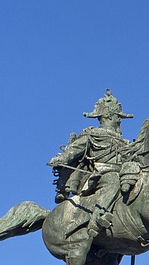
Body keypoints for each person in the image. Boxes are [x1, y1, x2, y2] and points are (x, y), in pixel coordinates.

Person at [48, 89, 133, 233]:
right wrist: (61, 158)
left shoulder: (125, 142)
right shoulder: (92, 135)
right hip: (101, 174)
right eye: (117, 117)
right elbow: (73, 150)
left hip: (123, 174)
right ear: (108, 116)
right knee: (113, 181)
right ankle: (96, 218)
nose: (119, 120)